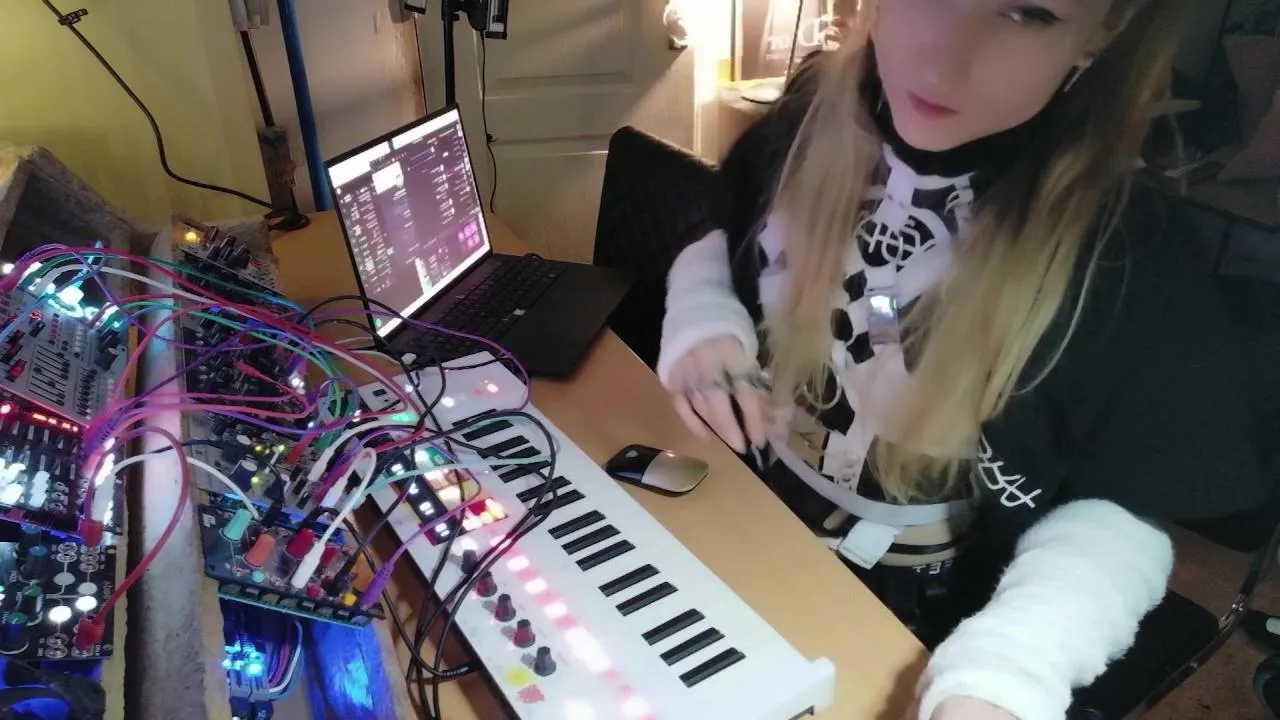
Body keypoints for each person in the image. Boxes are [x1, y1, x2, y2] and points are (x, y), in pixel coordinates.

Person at [658, 1, 1270, 718]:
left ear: (1103, 28)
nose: (940, 62)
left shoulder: (1129, 256)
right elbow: (717, 224)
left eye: (1025, 13)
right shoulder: (808, 112)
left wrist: (1007, 673)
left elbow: (1120, 514)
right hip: (740, 531)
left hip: (919, 630)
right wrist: (703, 316)